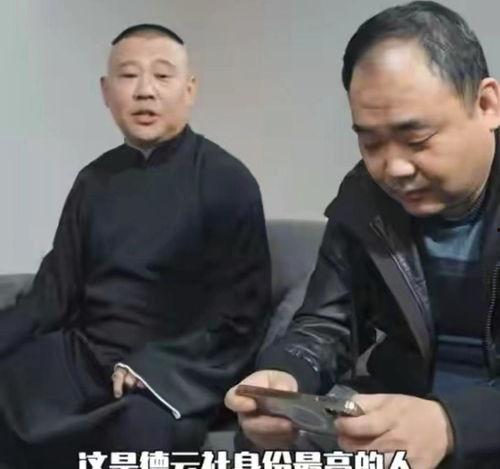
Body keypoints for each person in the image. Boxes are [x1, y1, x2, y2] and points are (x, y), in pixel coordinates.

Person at [225, 2, 500, 468]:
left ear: (487, 104)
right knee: (259, 448)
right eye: (370, 142)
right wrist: (285, 376)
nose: (393, 168)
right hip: (401, 414)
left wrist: (454, 424)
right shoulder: (365, 198)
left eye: (416, 139)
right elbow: (326, 324)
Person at [0, 24, 271, 467]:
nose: (145, 91)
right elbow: (53, 293)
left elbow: (240, 315)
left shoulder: (227, 180)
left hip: (171, 372)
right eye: (128, 76)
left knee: (136, 432)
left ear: (189, 89)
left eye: (162, 76)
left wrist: (154, 368)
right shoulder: (93, 181)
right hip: (86, 357)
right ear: (106, 92)